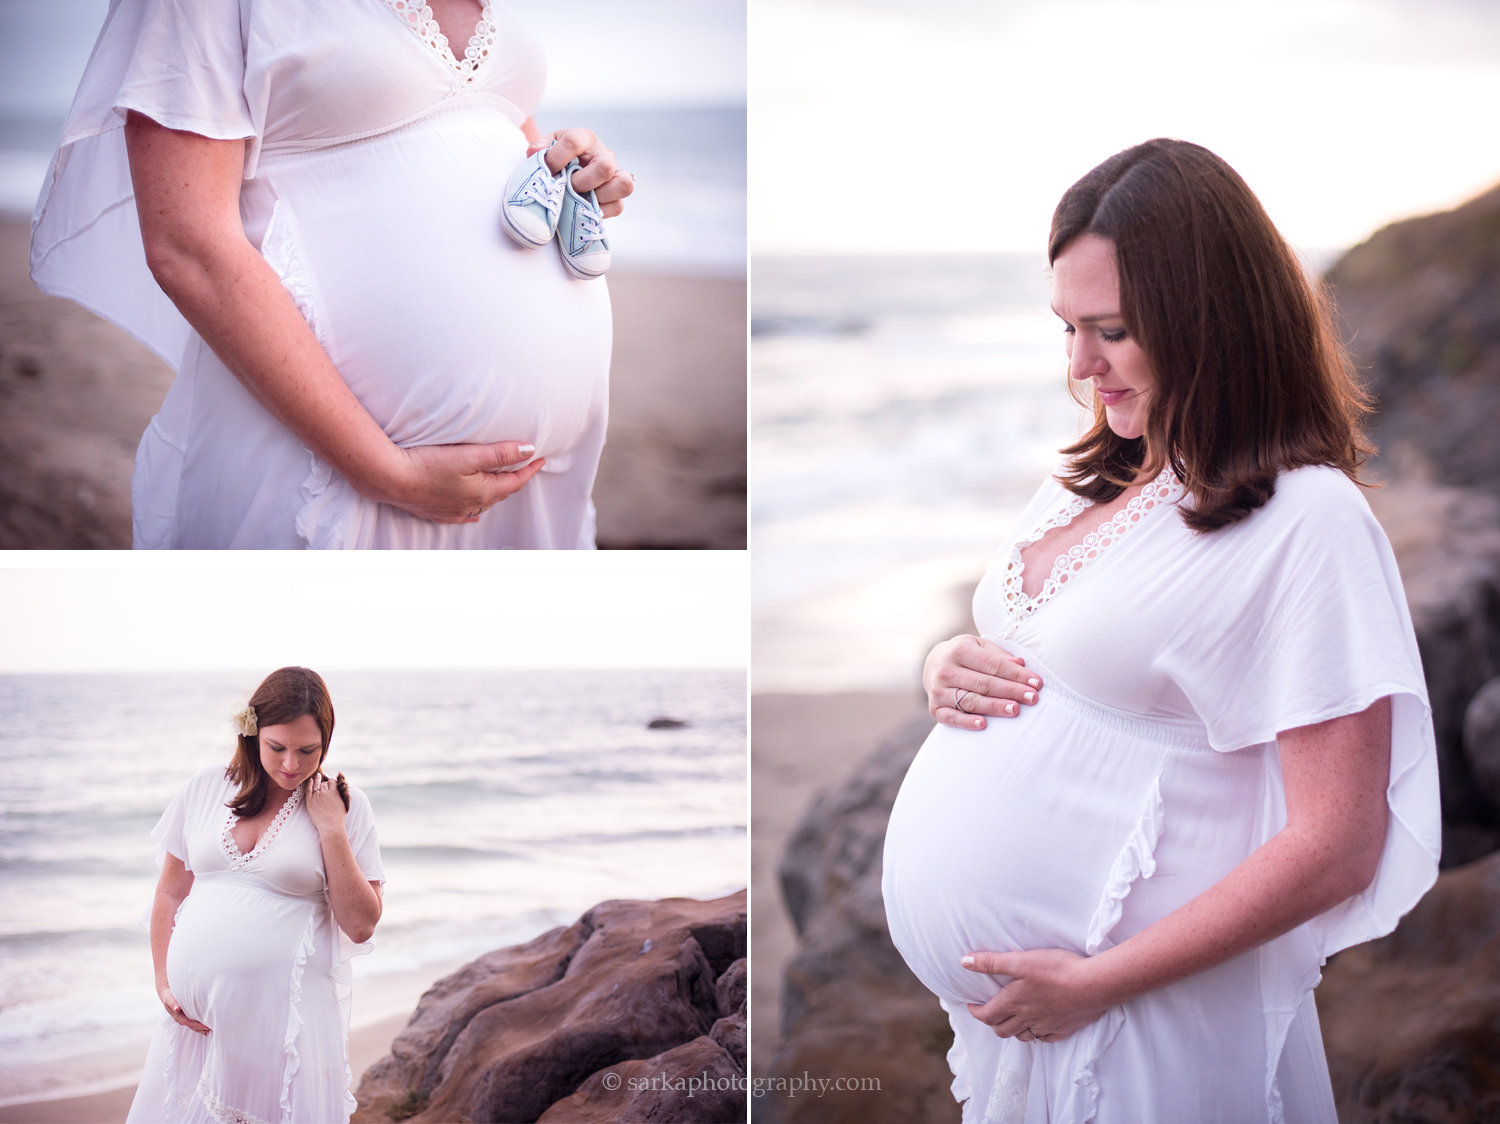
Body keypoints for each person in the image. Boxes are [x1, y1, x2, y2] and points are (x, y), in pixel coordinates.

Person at [879, 138, 1440, 1123]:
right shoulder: (1087, 481)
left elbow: (1337, 841)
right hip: (1032, 1031)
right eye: (1066, 327)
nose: (1080, 365)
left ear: (1211, 322)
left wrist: (1100, 982)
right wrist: (945, 662)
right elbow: (1052, 647)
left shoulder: (1308, 520)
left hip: (1140, 1024)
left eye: (1113, 330)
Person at [31, 0, 635, 548]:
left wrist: (569, 166)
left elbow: (496, 128)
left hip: (533, 491)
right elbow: (187, 244)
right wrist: (383, 471)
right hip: (335, 474)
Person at [128, 667, 383, 1124]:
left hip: (285, 1032)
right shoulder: (207, 786)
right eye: (277, 747)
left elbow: (361, 923)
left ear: (326, 740)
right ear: (253, 733)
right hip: (196, 1029)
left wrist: (330, 828)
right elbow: (168, 892)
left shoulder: (347, 807)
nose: (291, 764)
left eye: (308, 750)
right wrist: (164, 983)